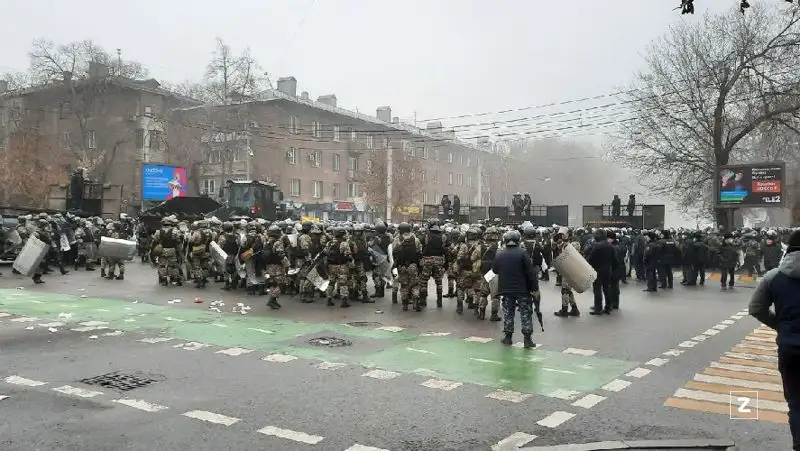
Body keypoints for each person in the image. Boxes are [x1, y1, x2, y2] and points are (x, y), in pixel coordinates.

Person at [748, 229, 800, 450]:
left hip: (790, 348)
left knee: (797, 402)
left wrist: (780, 325)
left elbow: (756, 308)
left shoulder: (773, 277)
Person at [492, 229, 540, 348]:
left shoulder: (500, 254)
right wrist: (535, 289)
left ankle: (508, 338)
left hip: (506, 290)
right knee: (525, 313)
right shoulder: (523, 253)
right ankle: (527, 340)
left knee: (508, 313)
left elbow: (494, 270)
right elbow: (530, 273)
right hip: (522, 290)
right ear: (518, 240)